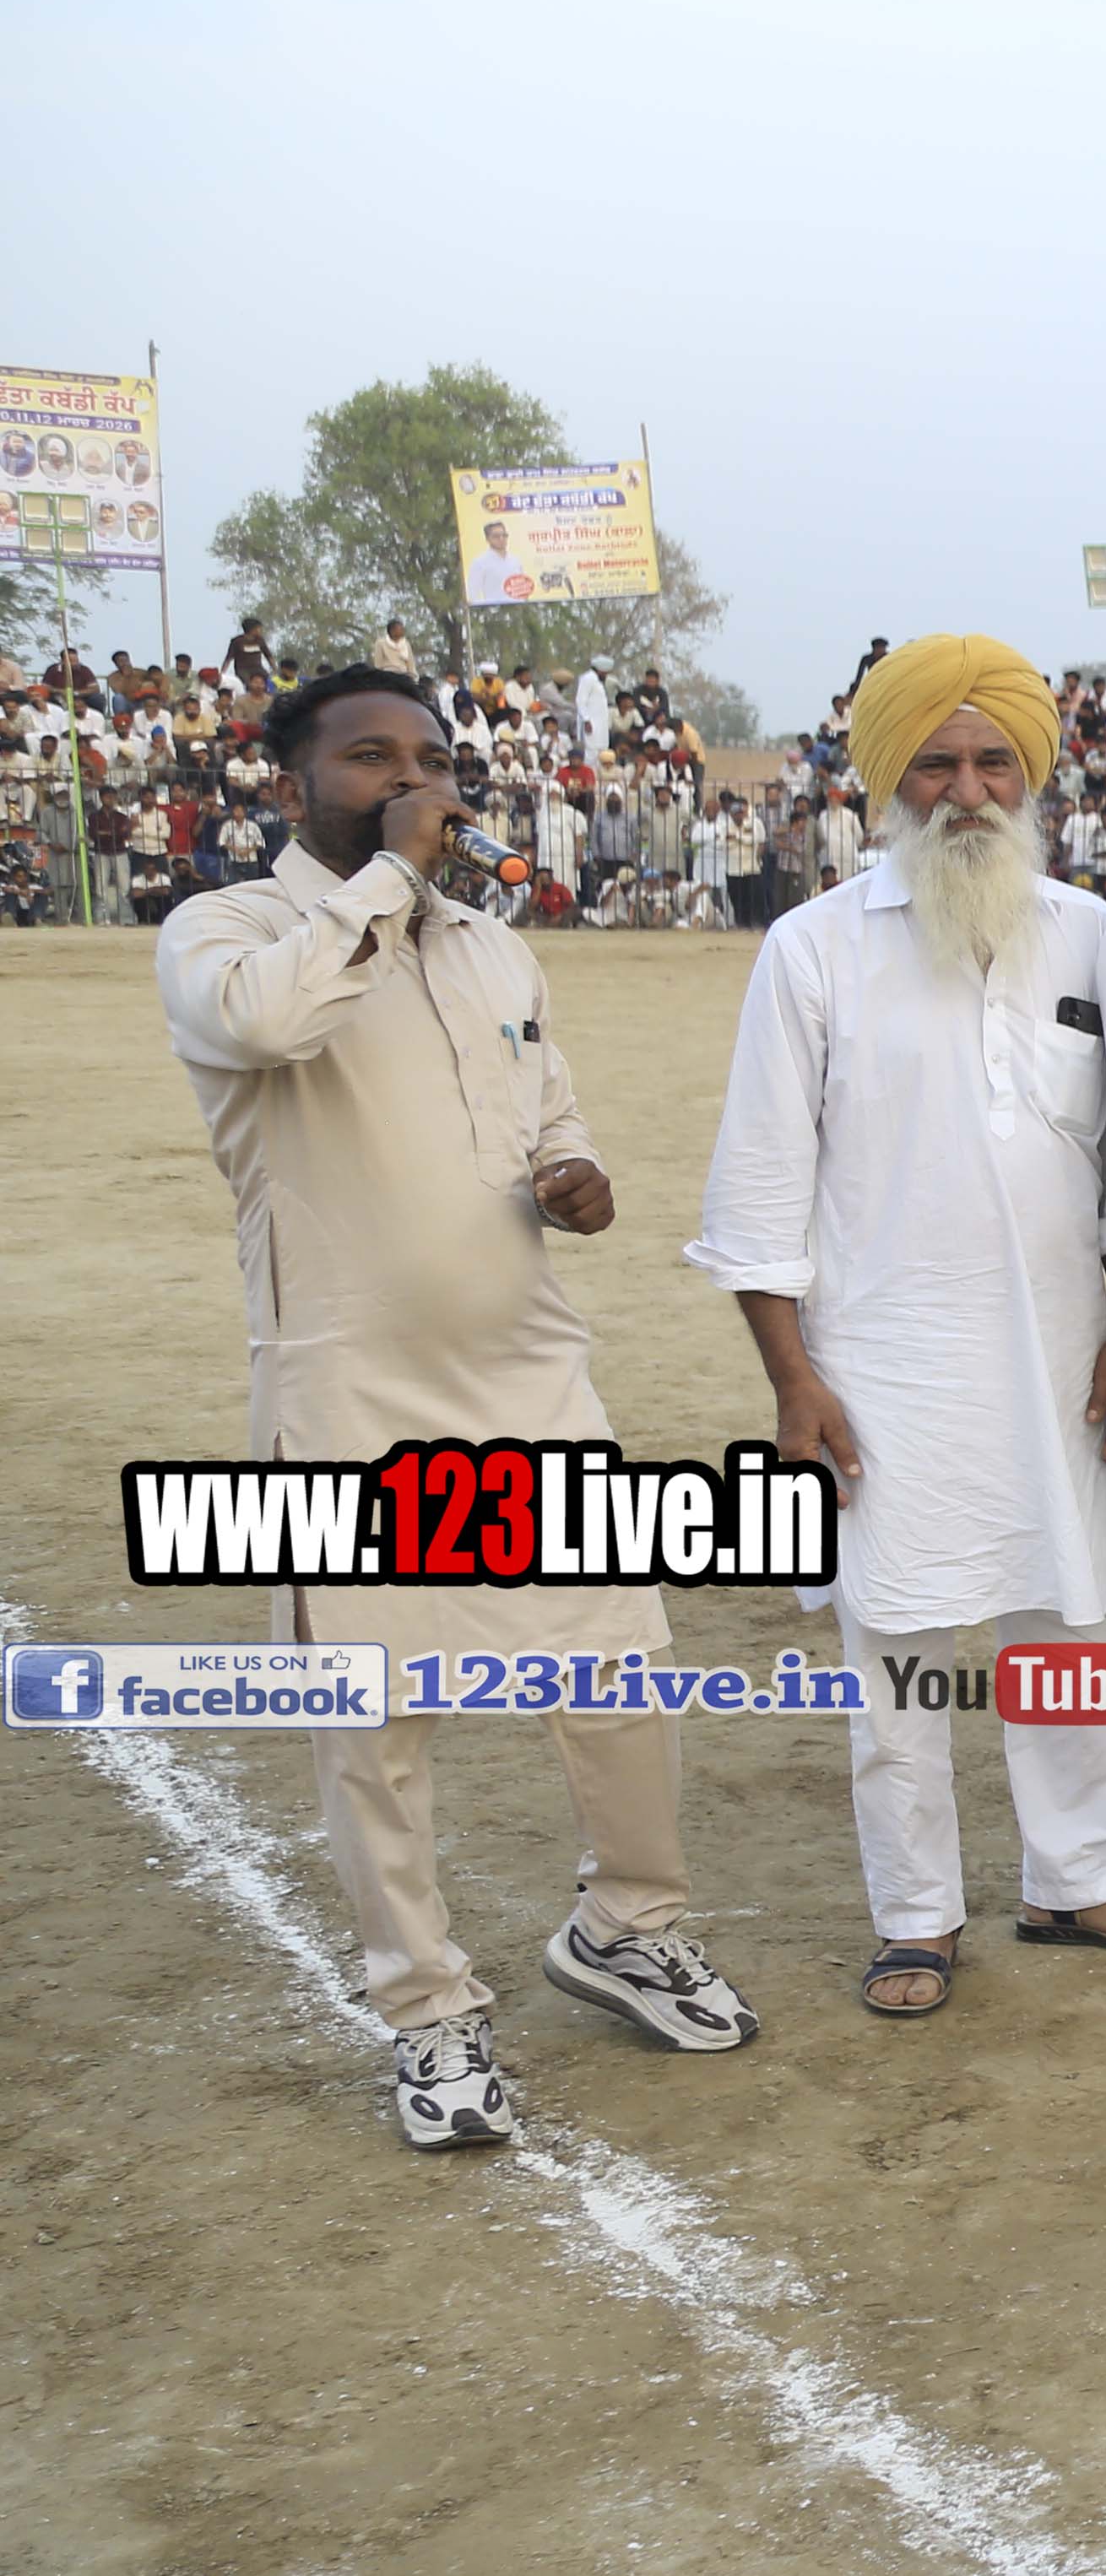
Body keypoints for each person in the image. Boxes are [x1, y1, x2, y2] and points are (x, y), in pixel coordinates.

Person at [157, 667, 753, 2148]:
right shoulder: (225, 932)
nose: (413, 779)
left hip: (528, 1368)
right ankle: (427, 2009)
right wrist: (387, 882)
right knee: (374, 1713)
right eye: (371, 758)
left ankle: (628, 1927)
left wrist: (572, 1174)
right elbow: (269, 1028)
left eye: (429, 757)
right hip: (344, 1386)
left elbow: (547, 1106)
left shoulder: (493, 948)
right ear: (289, 782)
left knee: (618, 1664)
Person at [687, 635, 1106, 2017]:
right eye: (936, 765)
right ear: (887, 783)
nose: (968, 792)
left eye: (993, 764)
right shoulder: (813, 949)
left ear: (1032, 779)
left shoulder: (1096, 935)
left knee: (1073, 1621)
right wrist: (793, 1382)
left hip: (1067, 1351)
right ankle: (916, 1914)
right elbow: (760, 1188)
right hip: (882, 1363)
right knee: (896, 1642)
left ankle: (1076, 1879)